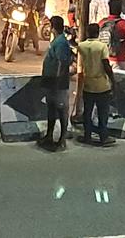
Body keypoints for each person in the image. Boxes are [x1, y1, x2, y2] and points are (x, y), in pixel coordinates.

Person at [76, 23, 116, 147]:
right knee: (102, 113)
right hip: (102, 85)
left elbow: (73, 43)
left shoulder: (81, 46)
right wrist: (113, 80)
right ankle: (103, 137)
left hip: (88, 84)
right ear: (98, 33)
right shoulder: (102, 47)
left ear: (87, 32)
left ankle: (87, 136)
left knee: (87, 112)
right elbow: (106, 65)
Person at [39, 15, 75, 151]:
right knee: (52, 109)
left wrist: (58, 80)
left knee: (61, 110)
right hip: (51, 80)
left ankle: (62, 140)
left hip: (57, 82)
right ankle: (49, 136)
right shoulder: (57, 41)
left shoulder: (60, 43)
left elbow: (62, 62)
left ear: (53, 27)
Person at [99, 0, 125, 70]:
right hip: (119, 60)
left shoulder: (102, 22)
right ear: (120, 9)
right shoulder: (123, 24)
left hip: (103, 59)